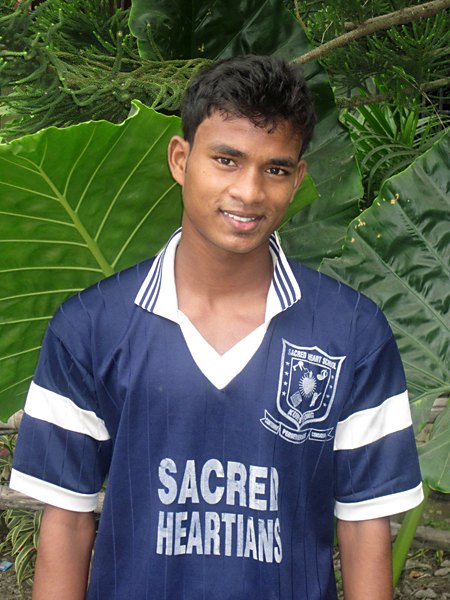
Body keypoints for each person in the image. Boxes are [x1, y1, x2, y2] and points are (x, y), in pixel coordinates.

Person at [10, 55, 423, 600]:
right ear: (180, 160)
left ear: (298, 178)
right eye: (226, 160)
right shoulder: (89, 327)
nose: (249, 192)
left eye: (275, 169)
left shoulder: (352, 332)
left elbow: (365, 522)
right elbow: (66, 520)